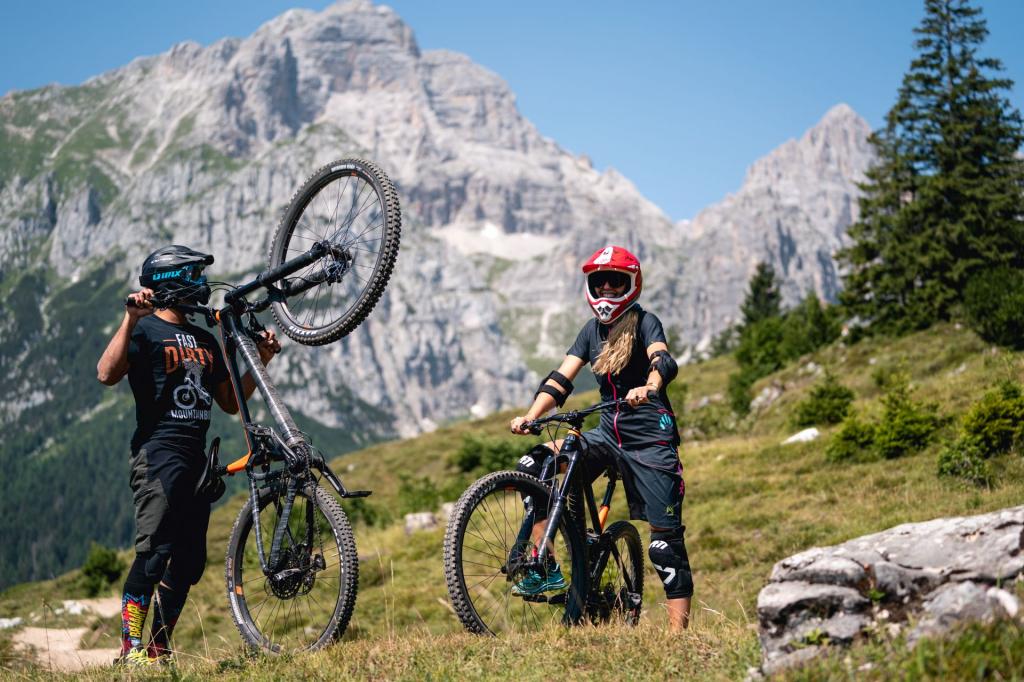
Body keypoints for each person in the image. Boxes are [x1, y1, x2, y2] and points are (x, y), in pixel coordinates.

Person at [96, 245, 282, 665]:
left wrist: (263, 360)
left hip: (198, 459)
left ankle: (158, 649)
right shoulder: (144, 331)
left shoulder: (204, 338)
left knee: (188, 563)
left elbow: (230, 402)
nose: (201, 285)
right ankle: (130, 650)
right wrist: (130, 319)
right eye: (194, 276)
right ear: (171, 280)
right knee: (154, 551)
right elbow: (106, 374)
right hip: (159, 454)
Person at [509, 245, 692, 631]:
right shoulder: (591, 331)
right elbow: (561, 380)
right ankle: (548, 567)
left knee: (665, 545)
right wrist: (532, 415)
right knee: (533, 465)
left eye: (616, 281)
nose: (607, 287)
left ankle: (680, 640)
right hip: (606, 435)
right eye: (599, 280)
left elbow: (663, 359)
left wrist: (651, 385)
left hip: (650, 442)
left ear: (632, 284)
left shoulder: (645, 322)